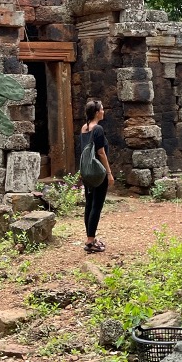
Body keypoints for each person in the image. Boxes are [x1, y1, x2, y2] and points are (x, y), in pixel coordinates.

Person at [76, 97, 114, 253]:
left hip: (87, 172)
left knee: (89, 205)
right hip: (98, 172)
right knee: (96, 206)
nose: (104, 111)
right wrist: (109, 173)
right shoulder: (98, 129)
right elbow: (101, 152)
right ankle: (91, 242)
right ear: (97, 112)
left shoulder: (84, 128)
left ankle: (90, 238)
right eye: (102, 109)